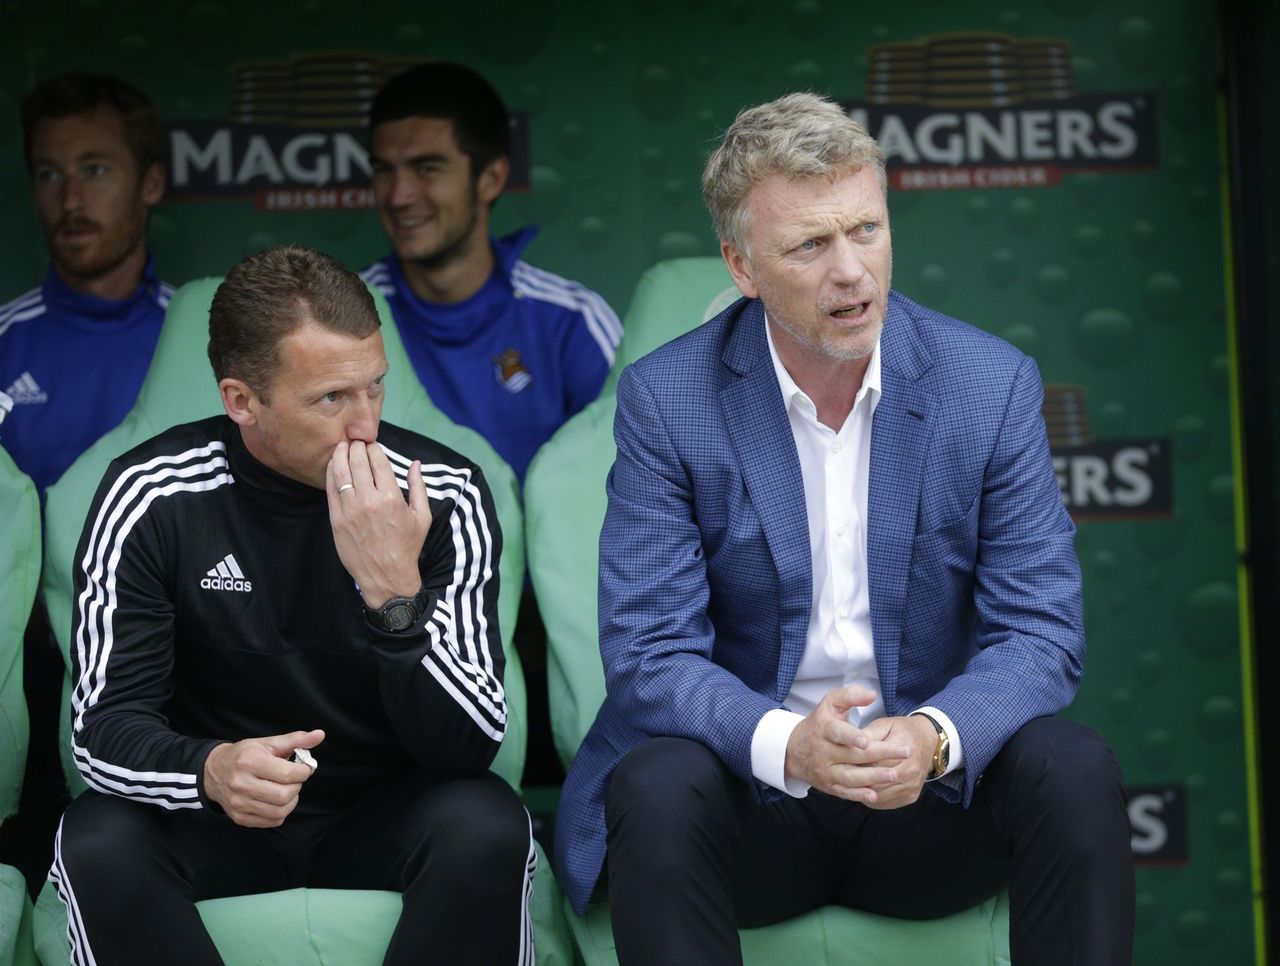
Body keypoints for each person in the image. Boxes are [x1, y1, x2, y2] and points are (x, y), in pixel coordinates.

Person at [554, 93, 1134, 965]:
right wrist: (790, 746)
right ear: (742, 267)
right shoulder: (668, 400)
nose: (852, 272)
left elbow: (1041, 631)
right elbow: (649, 651)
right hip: (753, 803)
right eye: (810, 245)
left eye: (866, 230)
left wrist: (935, 736)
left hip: (927, 806)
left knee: (1072, 766)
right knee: (658, 782)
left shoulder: (989, 386)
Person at [49, 246, 535, 965]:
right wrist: (209, 770)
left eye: (375, 387)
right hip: (219, 812)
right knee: (97, 837)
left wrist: (393, 594)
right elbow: (102, 731)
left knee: (488, 823)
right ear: (242, 401)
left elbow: (471, 744)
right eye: (331, 399)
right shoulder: (152, 495)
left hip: (384, 808)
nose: (366, 426)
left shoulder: (443, 493)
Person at [360, 61, 622, 484]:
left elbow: (637, 472)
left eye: (427, 168)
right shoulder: (347, 316)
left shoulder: (571, 319)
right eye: (383, 170)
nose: (399, 195)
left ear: (491, 178)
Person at [0, 72, 171, 494]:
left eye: (94, 170)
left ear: (151, 183)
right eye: (49, 175)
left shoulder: (205, 341)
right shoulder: (5, 342)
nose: (71, 199)